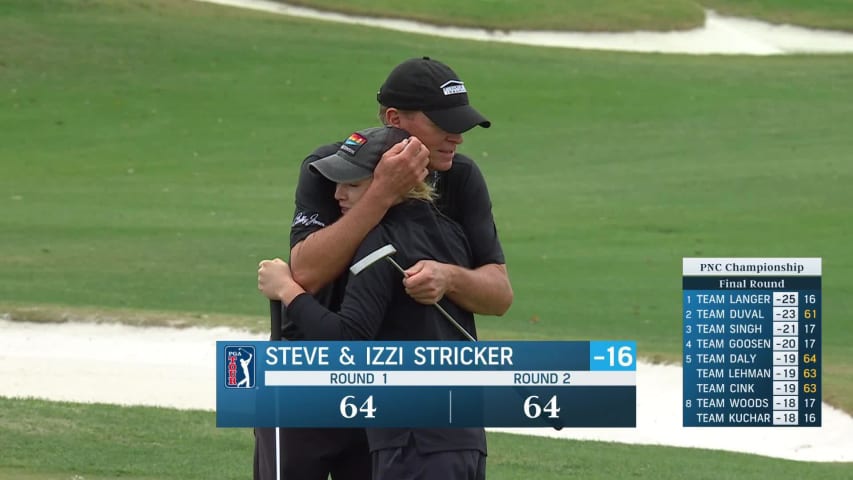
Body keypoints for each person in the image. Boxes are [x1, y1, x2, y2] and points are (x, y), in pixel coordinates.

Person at [253, 57, 511, 480]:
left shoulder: (461, 177)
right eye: (443, 122)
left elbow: (499, 295)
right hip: (307, 379)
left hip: (386, 393)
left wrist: (449, 277)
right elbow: (307, 271)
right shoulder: (331, 168)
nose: (457, 137)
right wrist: (381, 193)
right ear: (396, 119)